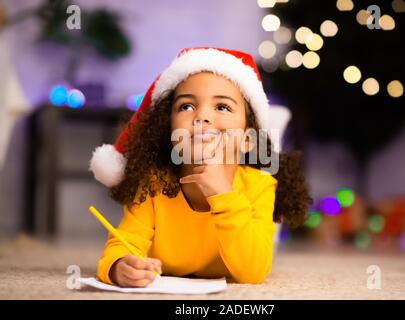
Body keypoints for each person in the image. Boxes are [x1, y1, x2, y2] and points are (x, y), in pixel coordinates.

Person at [89, 47, 312, 287]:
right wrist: (118, 266)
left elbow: (252, 273)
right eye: (186, 106)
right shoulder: (152, 184)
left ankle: (272, 128)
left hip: (249, 216)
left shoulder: (261, 184)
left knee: (268, 240)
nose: (202, 116)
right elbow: (124, 243)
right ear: (170, 132)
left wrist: (224, 195)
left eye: (222, 107)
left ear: (248, 141)